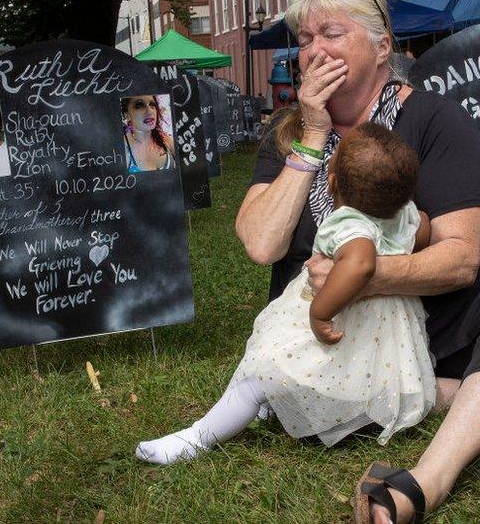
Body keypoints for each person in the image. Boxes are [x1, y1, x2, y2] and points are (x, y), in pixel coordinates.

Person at [234, 0, 480, 523]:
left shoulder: (435, 120)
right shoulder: (288, 131)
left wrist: (360, 274)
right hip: (332, 334)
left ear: (382, 45)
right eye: (305, 39)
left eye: (331, 33)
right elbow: (262, 243)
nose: (314, 51)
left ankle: (426, 480)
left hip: (434, 319)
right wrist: (313, 136)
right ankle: (453, 390)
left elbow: (461, 258)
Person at [135, 123, 435, 465]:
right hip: (384, 331)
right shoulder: (405, 214)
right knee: (357, 374)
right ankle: (305, 408)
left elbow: (361, 263)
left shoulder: (349, 222)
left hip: (340, 317)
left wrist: (320, 312)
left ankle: (199, 436)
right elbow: (422, 230)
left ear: (332, 183)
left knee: (265, 368)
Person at [121, 95, 175, 172]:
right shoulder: (123, 148)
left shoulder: (165, 139)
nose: (150, 111)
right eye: (139, 105)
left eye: (152, 105)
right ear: (126, 115)